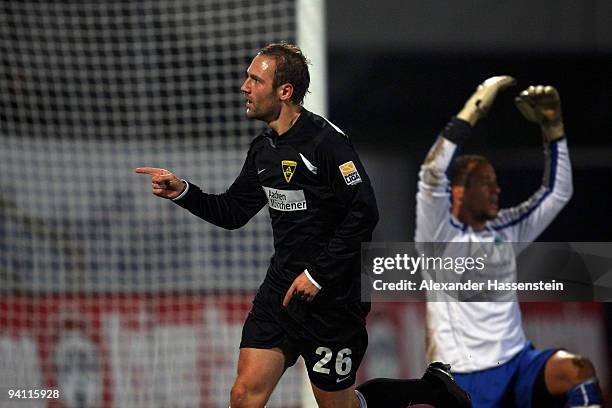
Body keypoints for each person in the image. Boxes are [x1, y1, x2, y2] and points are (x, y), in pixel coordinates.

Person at [137, 42, 471, 408]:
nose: (244, 87)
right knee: (243, 396)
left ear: (284, 91)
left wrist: (317, 275)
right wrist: (184, 191)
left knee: (338, 406)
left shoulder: (327, 144)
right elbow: (232, 212)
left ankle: (431, 389)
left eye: (255, 79)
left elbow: (364, 213)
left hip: (334, 297)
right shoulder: (263, 148)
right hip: (281, 291)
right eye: (247, 78)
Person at [415, 76, 603, 407]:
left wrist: (554, 130)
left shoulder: (505, 229)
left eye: (496, 182)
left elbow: (557, 193)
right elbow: (432, 173)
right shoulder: (438, 235)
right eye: (486, 183)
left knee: (578, 370)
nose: (496, 190)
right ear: (459, 191)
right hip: (463, 375)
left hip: (518, 364)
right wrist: (470, 111)